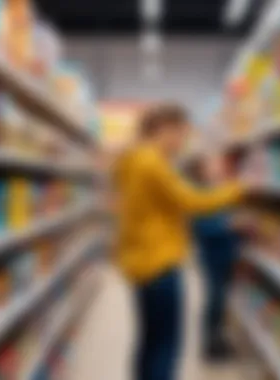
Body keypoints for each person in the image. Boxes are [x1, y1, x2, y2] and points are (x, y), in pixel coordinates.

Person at [112, 103, 245, 380]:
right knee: (165, 345)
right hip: (159, 262)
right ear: (165, 129)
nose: (182, 143)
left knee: (149, 340)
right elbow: (191, 200)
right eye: (182, 134)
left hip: (139, 261)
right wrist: (237, 190)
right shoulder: (151, 162)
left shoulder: (131, 160)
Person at [191, 154, 241, 362]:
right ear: (202, 171)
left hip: (225, 254)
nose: (218, 168)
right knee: (215, 299)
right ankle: (210, 345)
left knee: (221, 300)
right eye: (213, 165)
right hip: (212, 256)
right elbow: (203, 228)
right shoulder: (199, 194)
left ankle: (218, 339)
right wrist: (231, 225)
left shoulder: (218, 190)